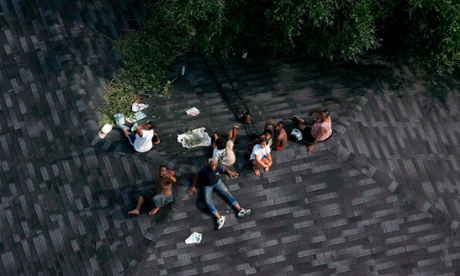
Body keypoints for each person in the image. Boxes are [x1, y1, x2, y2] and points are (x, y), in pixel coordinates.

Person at [188, 157, 251, 229]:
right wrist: (193, 186)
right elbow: (197, 176)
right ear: (209, 164)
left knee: (227, 194)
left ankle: (240, 210)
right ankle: (219, 218)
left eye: (215, 165)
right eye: (212, 165)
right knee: (208, 201)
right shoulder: (204, 170)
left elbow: (224, 167)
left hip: (217, 183)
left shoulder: (219, 167)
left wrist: (229, 172)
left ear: (217, 164)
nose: (213, 167)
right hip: (207, 186)